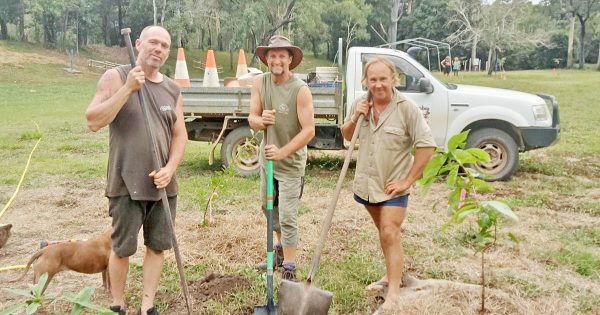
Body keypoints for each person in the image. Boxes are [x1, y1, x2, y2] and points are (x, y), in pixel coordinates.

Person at [85, 25, 187, 315]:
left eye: (164, 45)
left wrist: (170, 167)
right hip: (126, 181)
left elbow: (180, 135)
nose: (158, 49)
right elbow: (93, 121)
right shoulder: (115, 77)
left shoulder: (171, 89)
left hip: (163, 185)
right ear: (139, 43)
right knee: (122, 248)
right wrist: (128, 89)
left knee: (157, 247)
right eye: (153, 42)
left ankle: (147, 306)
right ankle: (117, 305)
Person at [340, 57, 435, 314]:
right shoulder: (362, 103)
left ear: (394, 79)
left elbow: (427, 146)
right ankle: (392, 274)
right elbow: (348, 136)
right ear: (366, 81)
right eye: (373, 79)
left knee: (390, 232)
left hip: (393, 185)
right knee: (384, 233)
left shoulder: (407, 108)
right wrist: (356, 116)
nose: (378, 84)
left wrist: (407, 180)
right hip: (367, 184)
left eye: (383, 78)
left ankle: (393, 292)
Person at [248, 35, 315, 281]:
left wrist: (283, 152)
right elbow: (252, 118)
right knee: (269, 209)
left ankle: (289, 265)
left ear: (290, 59)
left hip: (290, 164)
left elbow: (309, 130)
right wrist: (261, 120)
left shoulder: (300, 90)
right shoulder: (259, 83)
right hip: (268, 162)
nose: (276, 60)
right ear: (266, 58)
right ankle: (278, 251)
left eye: (281, 55)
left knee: (287, 216)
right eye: (272, 55)